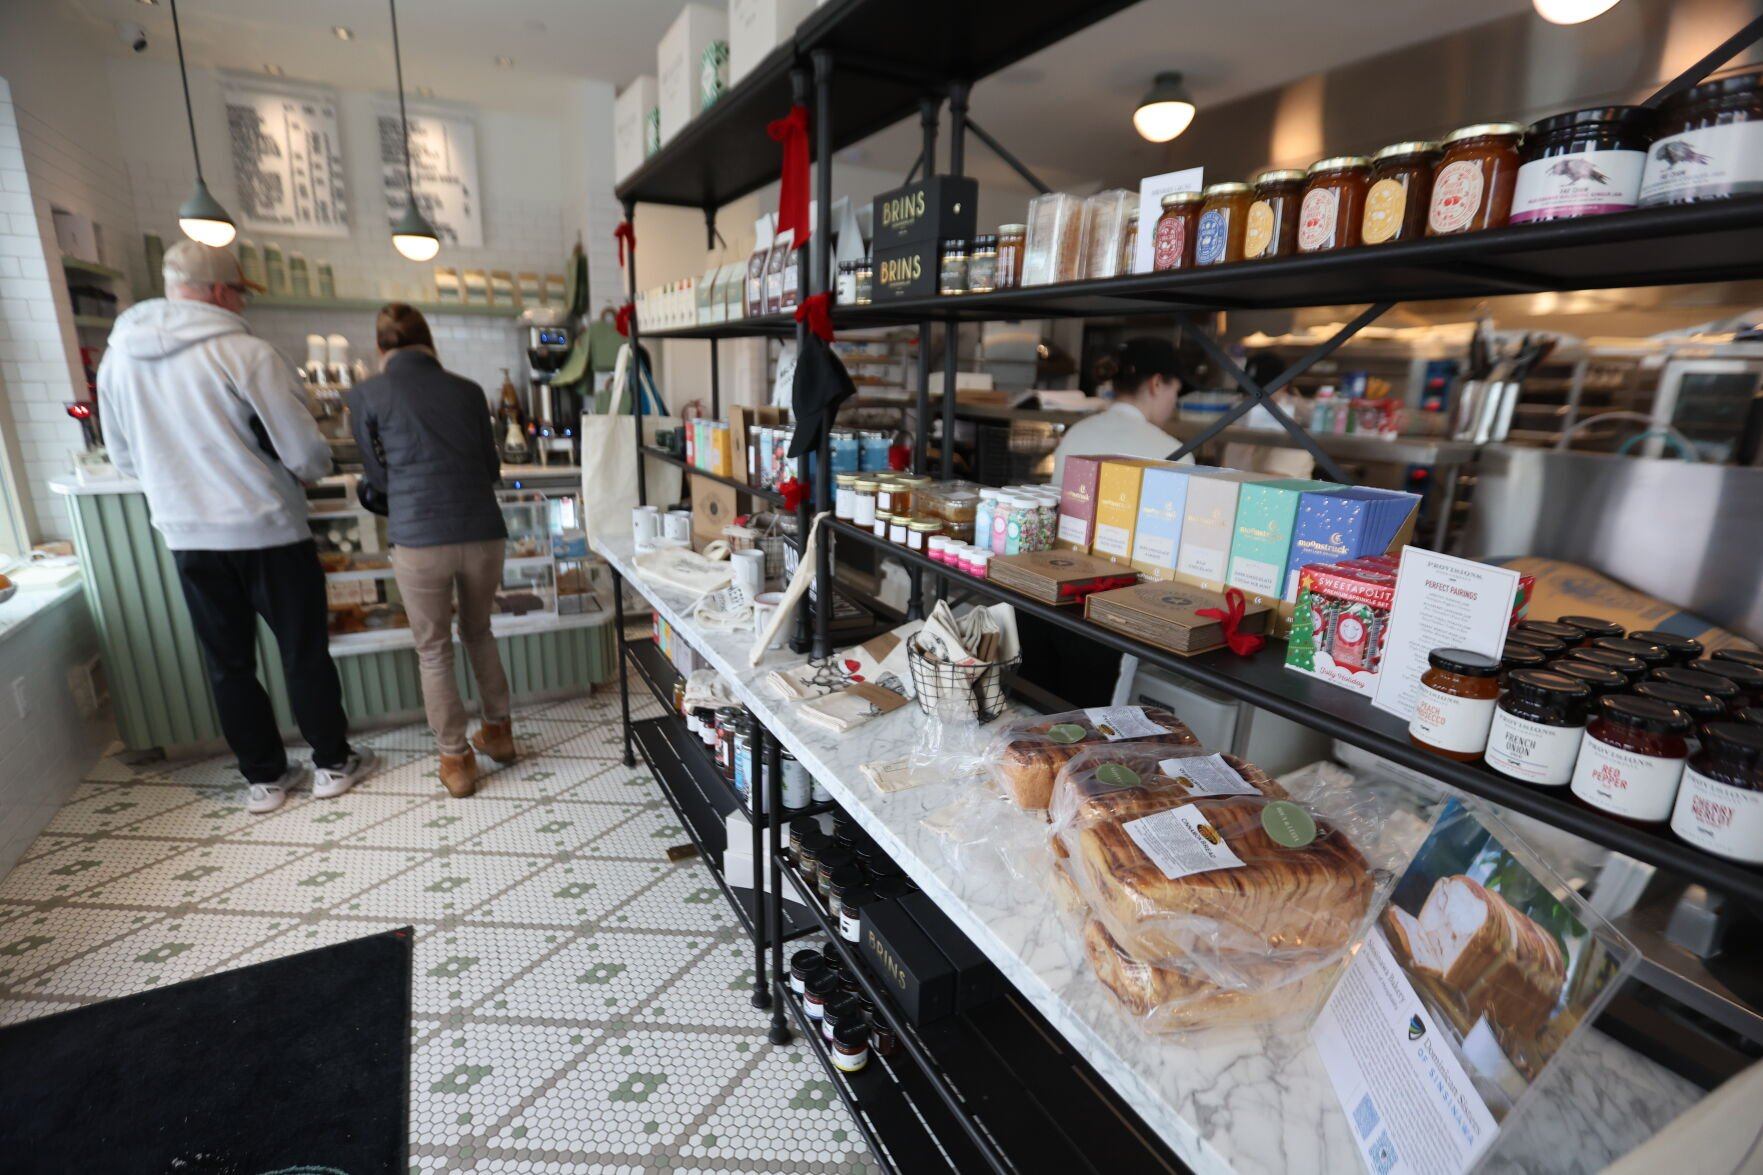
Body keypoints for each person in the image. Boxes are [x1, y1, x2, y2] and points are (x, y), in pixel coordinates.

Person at [98, 240, 374, 814]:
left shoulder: (117, 358)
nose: (243, 302)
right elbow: (304, 451)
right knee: (303, 650)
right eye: (241, 291)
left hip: (187, 535)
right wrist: (306, 470)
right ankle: (330, 764)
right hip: (267, 529)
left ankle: (266, 781)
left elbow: (123, 459)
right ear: (220, 290)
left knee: (228, 663)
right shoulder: (245, 352)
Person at [348, 304, 515, 798]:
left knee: (434, 648)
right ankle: (500, 735)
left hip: (419, 538)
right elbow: (490, 468)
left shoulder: (365, 394)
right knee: (479, 631)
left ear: (381, 349)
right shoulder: (468, 391)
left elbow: (377, 478)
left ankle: (457, 761)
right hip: (484, 531)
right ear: (430, 343)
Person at [1048, 336, 1192, 486]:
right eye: (1176, 391)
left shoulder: (1075, 434)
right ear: (1156, 384)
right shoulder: (1175, 455)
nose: (1175, 401)